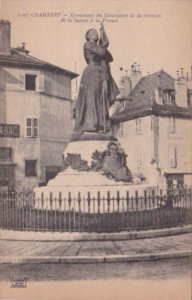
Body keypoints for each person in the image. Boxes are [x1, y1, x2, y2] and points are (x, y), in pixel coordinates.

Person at [74, 23, 119, 133]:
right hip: (91, 72)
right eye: (93, 32)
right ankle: (90, 124)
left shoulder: (98, 47)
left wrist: (103, 42)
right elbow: (102, 52)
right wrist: (103, 44)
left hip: (100, 73)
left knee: (100, 99)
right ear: (88, 36)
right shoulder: (87, 45)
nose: (96, 34)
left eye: (96, 32)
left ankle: (100, 124)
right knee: (91, 98)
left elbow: (110, 57)